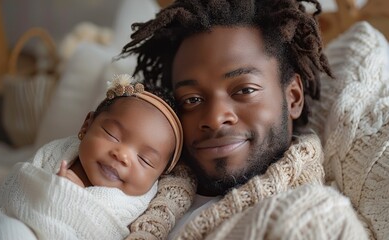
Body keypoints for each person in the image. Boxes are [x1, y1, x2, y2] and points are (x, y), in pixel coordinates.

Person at [120, 0, 369, 239]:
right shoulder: (126, 177)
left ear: (293, 98)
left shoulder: (320, 221)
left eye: (245, 90)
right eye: (192, 99)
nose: (215, 119)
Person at [0, 74, 194, 240]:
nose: (122, 155)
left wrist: (65, 198)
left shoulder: (140, 207)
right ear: (87, 124)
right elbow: (15, 192)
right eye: (112, 134)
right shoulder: (58, 153)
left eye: (144, 160)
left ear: (159, 176)